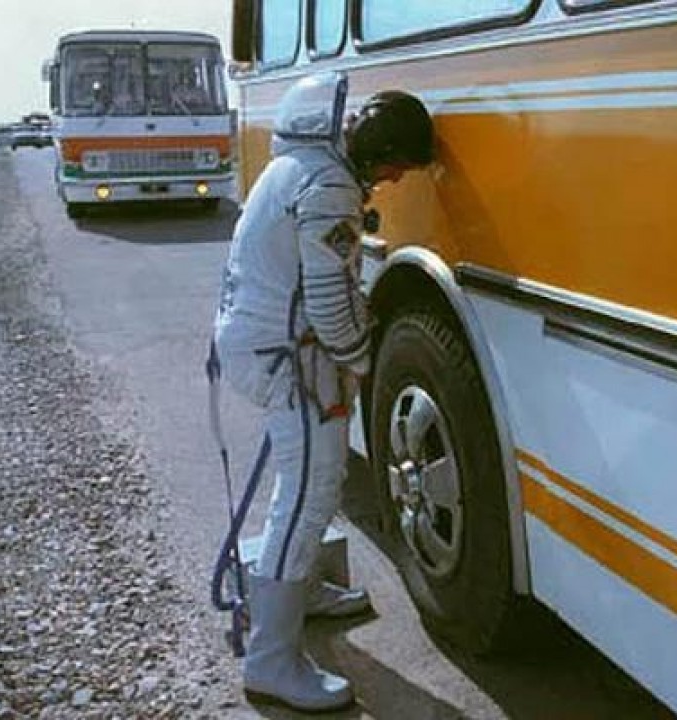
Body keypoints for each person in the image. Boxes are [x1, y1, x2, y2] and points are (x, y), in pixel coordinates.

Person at [211, 71, 434, 712]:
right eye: (394, 166)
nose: (394, 179)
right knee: (307, 495)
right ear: (376, 151)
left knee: (309, 479)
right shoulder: (330, 187)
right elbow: (333, 305)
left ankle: (301, 593)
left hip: (267, 345)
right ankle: (271, 661)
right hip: (287, 357)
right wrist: (362, 360)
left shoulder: (300, 165)